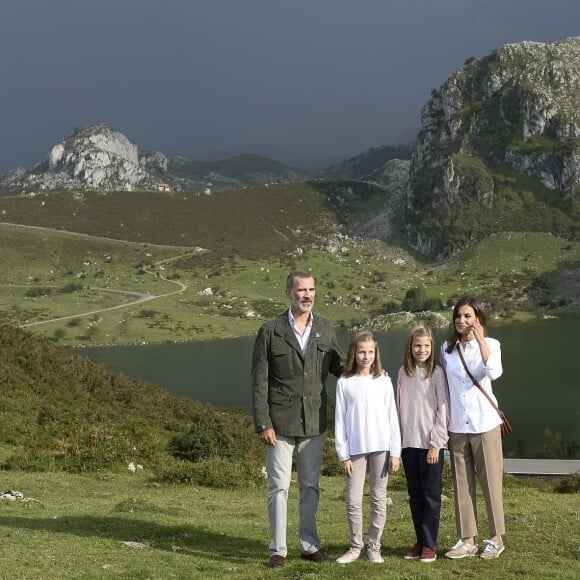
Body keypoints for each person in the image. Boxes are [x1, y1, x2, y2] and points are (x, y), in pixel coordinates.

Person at [251, 269, 345, 569]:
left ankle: (309, 545)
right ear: (288, 292)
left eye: (312, 290)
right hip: (279, 423)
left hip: (314, 422)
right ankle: (277, 550)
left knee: (310, 486)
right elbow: (259, 380)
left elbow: (340, 366)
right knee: (279, 487)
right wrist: (263, 422)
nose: (307, 295)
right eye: (301, 290)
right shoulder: (271, 329)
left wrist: (370, 372)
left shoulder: (326, 328)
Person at [440, 297, 505, 560]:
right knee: (462, 484)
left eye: (468, 316)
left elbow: (495, 372)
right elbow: (442, 381)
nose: (462, 321)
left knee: (490, 482)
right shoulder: (447, 348)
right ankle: (468, 540)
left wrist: (480, 342)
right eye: (458, 316)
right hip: (457, 425)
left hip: (484, 423)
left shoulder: (491, 344)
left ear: (478, 318)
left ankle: (496, 538)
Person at [334, 330, 401, 565]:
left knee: (378, 498)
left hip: (381, 447)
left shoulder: (383, 380)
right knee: (353, 499)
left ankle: (374, 546)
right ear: (354, 352)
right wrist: (343, 454)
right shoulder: (345, 382)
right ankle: (355, 546)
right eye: (362, 352)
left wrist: (395, 452)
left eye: (370, 352)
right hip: (355, 449)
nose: (366, 356)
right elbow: (340, 420)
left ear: (376, 353)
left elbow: (392, 417)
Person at [397, 325, 449, 564]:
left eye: (427, 346)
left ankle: (429, 544)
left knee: (430, 495)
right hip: (409, 444)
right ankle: (420, 540)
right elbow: (397, 410)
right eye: (418, 345)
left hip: (430, 446)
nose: (422, 350)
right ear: (410, 346)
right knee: (415, 495)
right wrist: (396, 444)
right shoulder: (402, 373)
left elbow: (443, 410)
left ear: (432, 347)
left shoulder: (436, 373)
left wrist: (436, 444)